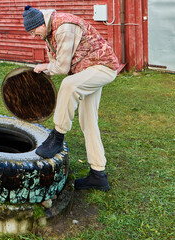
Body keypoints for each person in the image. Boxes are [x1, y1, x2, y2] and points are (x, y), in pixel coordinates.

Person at [22, 5, 119, 191]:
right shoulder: (49, 32)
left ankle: (57, 136)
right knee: (88, 121)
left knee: (68, 85)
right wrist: (46, 69)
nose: (34, 35)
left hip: (102, 68)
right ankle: (98, 174)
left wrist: (45, 67)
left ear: (41, 23)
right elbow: (56, 62)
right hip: (88, 70)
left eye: (34, 31)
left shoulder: (64, 27)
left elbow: (62, 68)